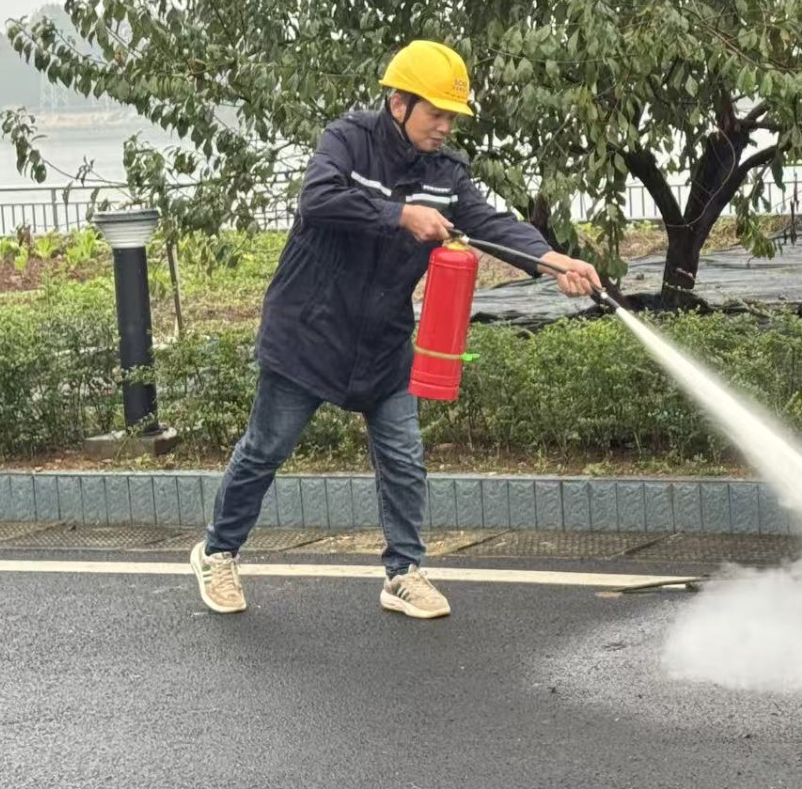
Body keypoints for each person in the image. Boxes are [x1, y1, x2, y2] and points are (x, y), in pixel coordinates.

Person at [189, 40, 601, 620]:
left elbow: (488, 223)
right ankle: (217, 552)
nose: (446, 126)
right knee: (265, 450)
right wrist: (400, 214)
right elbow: (318, 199)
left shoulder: (446, 172)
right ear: (399, 103)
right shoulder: (348, 141)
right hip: (308, 332)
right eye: (436, 113)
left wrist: (552, 260)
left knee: (404, 457)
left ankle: (404, 571)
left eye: (452, 116)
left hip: (382, 341)